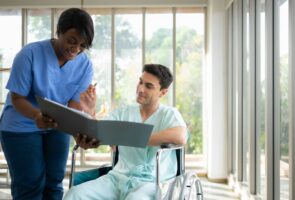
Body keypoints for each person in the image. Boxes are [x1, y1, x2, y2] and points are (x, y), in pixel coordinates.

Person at [0, 8, 95, 200]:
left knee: (54, 183)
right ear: (58, 31)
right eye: (71, 41)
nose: (76, 49)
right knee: (31, 185)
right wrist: (36, 116)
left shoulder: (84, 64)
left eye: (83, 45)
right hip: (20, 125)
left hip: (57, 125)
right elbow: (17, 98)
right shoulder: (29, 54)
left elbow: (74, 105)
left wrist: (81, 131)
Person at [64, 64, 188, 200]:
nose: (140, 89)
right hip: (118, 177)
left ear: (162, 92)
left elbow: (181, 136)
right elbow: (99, 131)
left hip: (152, 182)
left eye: (148, 86)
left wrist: (137, 138)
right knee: (74, 194)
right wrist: (91, 110)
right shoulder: (124, 112)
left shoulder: (168, 114)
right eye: (140, 82)